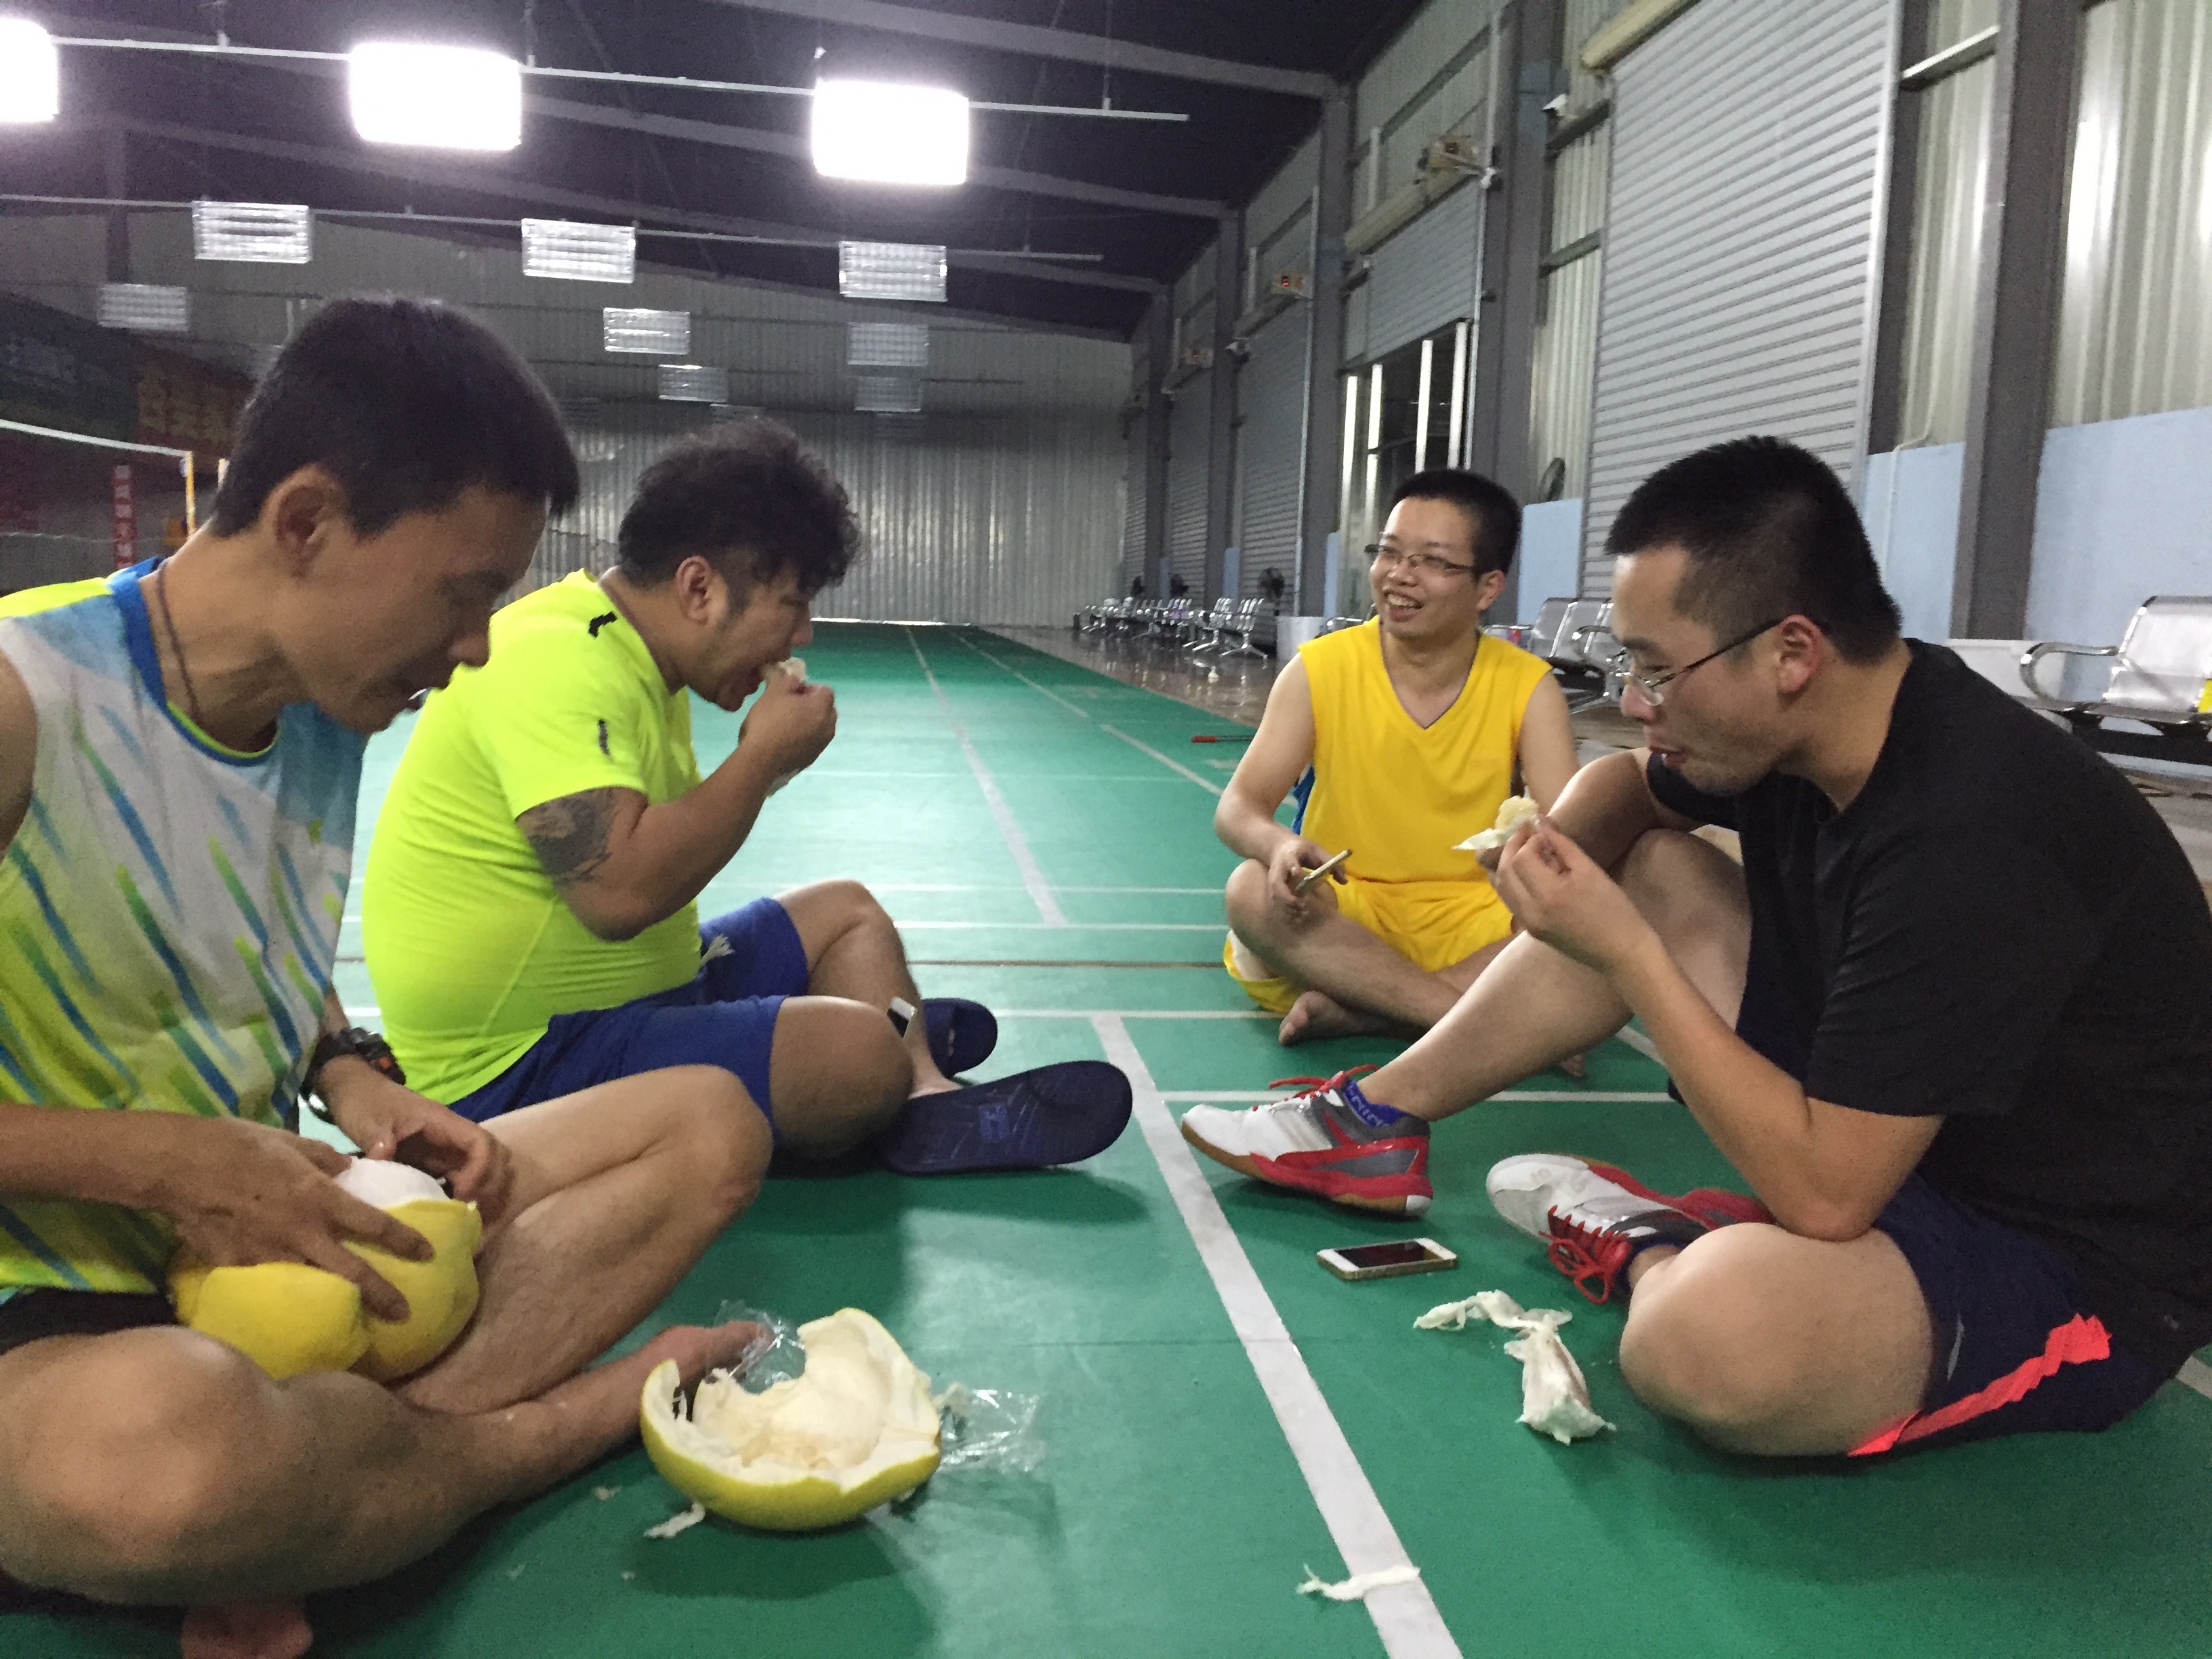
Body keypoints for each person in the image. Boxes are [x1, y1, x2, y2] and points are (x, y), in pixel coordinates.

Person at [0, 297, 775, 1659]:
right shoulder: (25, 696)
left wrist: (350, 1075)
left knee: (708, 1122)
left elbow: (221, 946)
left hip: (250, 1258)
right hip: (44, 1322)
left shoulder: (319, 706)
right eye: (464, 593)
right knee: (175, 1464)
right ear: (306, 523)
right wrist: (166, 1164)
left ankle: (332, 1492)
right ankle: (533, 1438)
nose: (475, 647)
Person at [1181, 436, 2212, 1458]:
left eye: (1658, 671)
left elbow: (1824, 1196)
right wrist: (1550, 860)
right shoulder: (1814, 722)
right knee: (1661, 871)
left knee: (1707, 1343)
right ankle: (1373, 1119)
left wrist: (1625, 954)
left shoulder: (1974, 827)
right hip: (1905, 1141)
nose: (1634, 703)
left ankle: (1643, 1238)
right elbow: (1630, 791)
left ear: (1792, 653)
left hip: (2064, 1259)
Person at [359, 420, 1129, 1175]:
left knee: (847, 912)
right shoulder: (561, 656)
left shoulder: (632, 658)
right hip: (520, 1069)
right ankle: (884, 1048)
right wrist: (759, 762)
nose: (803, 636)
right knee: (857, 1054)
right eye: (791, 604)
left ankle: (921, 1087)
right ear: (700, 587)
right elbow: (618, 893)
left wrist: (763, 764)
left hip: (649, 1002)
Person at [1212, 468, 1577, 1048]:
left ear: (1487, 588)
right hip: (1348, 916)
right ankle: (1463, 1018)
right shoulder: (1319, 669)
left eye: (1433, 561)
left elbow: (1571, 833)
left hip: (1474, 919)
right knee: (1249, 891)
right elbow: (1238, 807)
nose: (1399, 576)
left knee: (1581, 925)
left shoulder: (1529, 687)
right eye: (1389, 553)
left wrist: (1529, 853)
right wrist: (1278, 845)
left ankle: (1373, 1009)